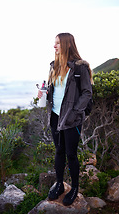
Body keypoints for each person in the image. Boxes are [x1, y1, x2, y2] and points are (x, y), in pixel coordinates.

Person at [38, 33, 93, 206]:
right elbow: (54, 90)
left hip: (72, 119)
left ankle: (75, 188)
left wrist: (76, 111)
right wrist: (44, 93)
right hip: (55, 116)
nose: (54, 46)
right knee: (59, 151)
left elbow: (87, 92)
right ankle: (60, 184)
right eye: (54, 43)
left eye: (57, 43)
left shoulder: (80, 68)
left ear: (67, 45)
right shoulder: (54, 66)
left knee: (71, 154)